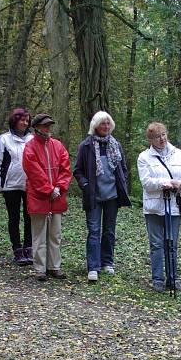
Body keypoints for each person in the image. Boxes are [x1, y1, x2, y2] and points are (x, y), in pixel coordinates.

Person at [73, 111, 131, 283]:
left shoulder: (115, 144)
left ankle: (107, 262)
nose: (105, 127)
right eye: (102, 123)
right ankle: (93, 267)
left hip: (112, 196)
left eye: (108, 123)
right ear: (95, 125)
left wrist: (123, 183)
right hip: (94, 196)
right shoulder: (86, 146)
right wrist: (85, 185)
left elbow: (123, 169)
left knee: (109, 231)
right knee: (94, 231)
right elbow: (78, 171)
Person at [137, 122, 181, 292]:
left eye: (163, 135)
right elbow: (146, 182)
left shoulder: (179, 154)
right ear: (150, 140)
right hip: (153, 207)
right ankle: (158, 278)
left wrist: (179, 185)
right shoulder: (144, 157)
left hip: (173, 206)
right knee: (157, 244)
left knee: (172, 243)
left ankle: (173, 278)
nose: (162, 139)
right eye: (157, 137)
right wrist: (164, 183)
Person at [22, 114, 72, 281]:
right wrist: (49, 189)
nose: (47, 129)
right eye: (44, 126)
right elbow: (33, 172)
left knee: (55, 234)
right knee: (39, 234)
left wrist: (59, 187)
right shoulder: (30, 147)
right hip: (38, 197)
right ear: (36, 128)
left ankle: (54, 267)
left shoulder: (58, 146)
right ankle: (40, 269)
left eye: (49, 126)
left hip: (57, 197)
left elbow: (66, 169)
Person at [0, 108, 34, 265]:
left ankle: (29, 247)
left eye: (26, 120)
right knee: (14, 218)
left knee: (30, 216)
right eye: (21, 120)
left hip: (29, 184)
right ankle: (17, 249)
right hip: (10, 185)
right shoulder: (4, 139)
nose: (24, 123)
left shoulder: (32, 139)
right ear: (14, 120)